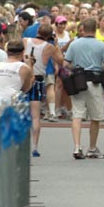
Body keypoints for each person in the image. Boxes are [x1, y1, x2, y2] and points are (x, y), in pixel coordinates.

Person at [64, 18, 104, 160]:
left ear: (83, 29)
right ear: (95, 29)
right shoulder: (101, 45)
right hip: (95, 82)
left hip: (78, 81)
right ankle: (92, 148)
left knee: (77, 114)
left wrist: (77, 68)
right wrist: (99, 68)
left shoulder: (74, 44)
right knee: (96, 117)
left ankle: (77, 146)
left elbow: (65, 63)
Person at [23, 24, 64, 157]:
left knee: (21, 112)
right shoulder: (49, 47)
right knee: (35, 116)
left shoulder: (25, 41)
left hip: (23, 78)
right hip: (37, 79)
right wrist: (56, 45)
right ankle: (34, 146)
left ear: (38, 32)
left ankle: (20, 144)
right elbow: (60, 60)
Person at [0, 39, 34, 107]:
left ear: (6, 52)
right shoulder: (23, 67)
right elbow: (26, 88)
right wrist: (30, 64)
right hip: (6, 101)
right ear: (23, 52)